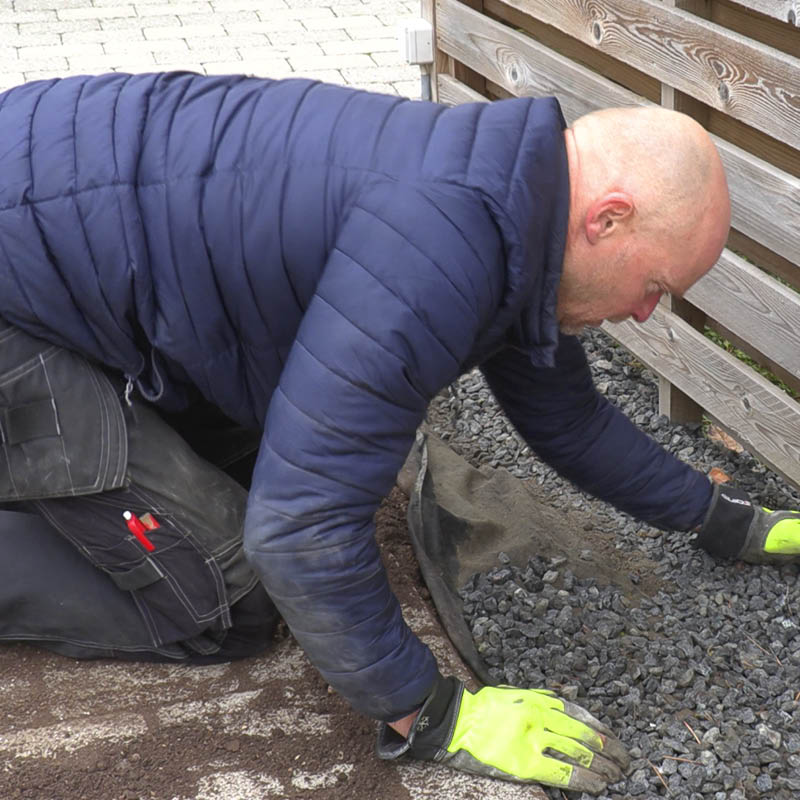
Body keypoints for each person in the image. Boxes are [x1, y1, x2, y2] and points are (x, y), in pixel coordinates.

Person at [0, 72, 796, 794]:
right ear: (608, 219)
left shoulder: (512, 205)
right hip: (19, 299)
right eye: (655, 284)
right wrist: (432, 711)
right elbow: (299, 528)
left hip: (68, 238)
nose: (645, 313)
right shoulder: (437, 249)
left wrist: (724, 519)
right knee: (227, 595)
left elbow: (569, 419)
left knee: (258, 472)